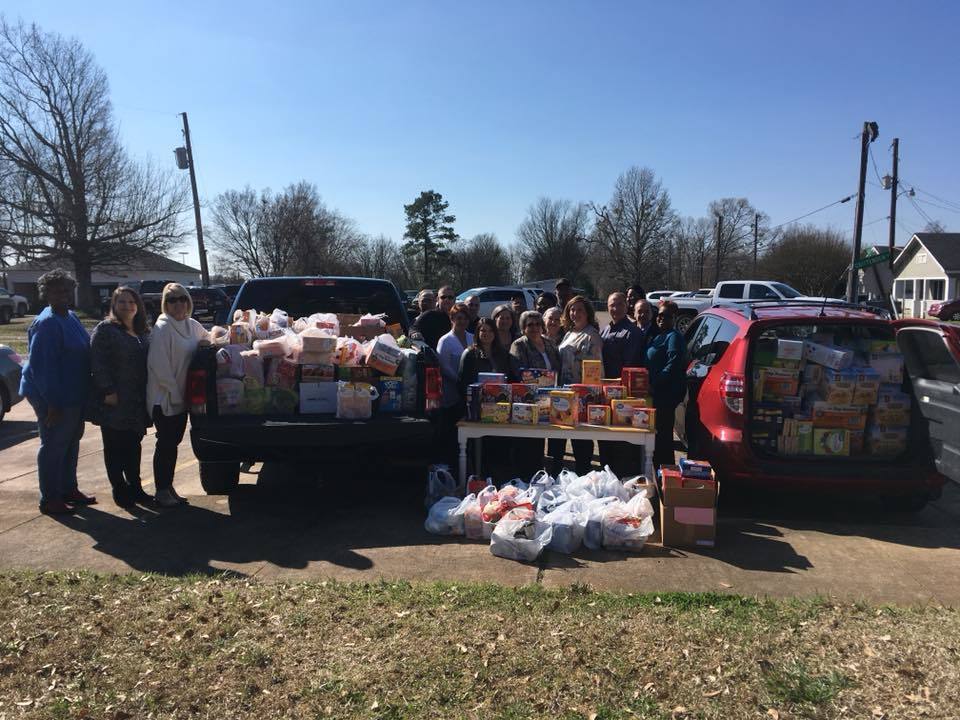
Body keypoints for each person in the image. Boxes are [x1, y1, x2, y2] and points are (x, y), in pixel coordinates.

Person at [18, 269, 96, 515]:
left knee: (71, 442)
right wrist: (53, 403)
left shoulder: (70, 316)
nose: (63, 294)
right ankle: (50, 498)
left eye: (66, 289)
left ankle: (68, 488)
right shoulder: (47, 323)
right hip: (52, 397)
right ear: (46, 293)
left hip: (73, 394)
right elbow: (43, 369)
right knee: (53, 445)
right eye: (56, 290)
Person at [147, 283, 209, 508]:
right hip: (164, 398)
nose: (179, 303)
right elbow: (158, 365)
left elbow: (209, 339)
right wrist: (173, 393)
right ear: (165, 304)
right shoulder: (163, 328)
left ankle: (169, 487)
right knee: (165, 444)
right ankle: (161, 490)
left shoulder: (191, 325)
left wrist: (210, 341)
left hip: (182, 398)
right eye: (172, 299)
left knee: (173, 443)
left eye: (182, 298)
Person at [90, 287, 152, 508]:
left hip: (136, 402)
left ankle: (136, 487)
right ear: (114, 306)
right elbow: (97, 362)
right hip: (115, 400)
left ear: (138, 306)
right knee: (115, 447)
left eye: (132, 302)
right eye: (122, 302)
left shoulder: (141, 331)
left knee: (133, 446)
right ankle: (120, 489)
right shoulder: (106, 330)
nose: (127, 306)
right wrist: (107, 390)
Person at [458, 317, 517, 479]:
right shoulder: (469, 354)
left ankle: (499, 480)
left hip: (500, 410)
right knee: (478, 450)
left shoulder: (502, 354)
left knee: (499, 448)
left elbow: (510, 379)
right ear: (477, 333)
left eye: (490, 330)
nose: (487, 334)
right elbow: (462, 383)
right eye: (483, 330)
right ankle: (478, 479)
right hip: (476, 410)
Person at [510, 310, 562, 476]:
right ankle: (529, 476)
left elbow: (558, 367)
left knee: (555, 440)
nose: (534, 328)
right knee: (531, 444)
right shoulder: (519, 345)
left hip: (552, 399)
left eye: (537, 324)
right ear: (523, 328)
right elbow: (520, 373)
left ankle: (553, 475)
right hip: (530, 401)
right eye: (529, 325)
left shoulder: (549, 342)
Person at [558, 296, 603, 474]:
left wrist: (588, 398)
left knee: (582, 442)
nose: (575, 313)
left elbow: (595, 372)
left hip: (582, 397)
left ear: (588, 314)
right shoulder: (570, 333)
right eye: (572, 310)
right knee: (572, 438)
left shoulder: (591, 335)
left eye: (580, 310)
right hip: (565, 395)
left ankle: (584, 475)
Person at [598, 292, 643, 475]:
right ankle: (606, 475)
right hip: (603, 395)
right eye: (611, 305)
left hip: (622, 396)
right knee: (604, 439)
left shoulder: (633, 332)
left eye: (618, 305)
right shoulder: (605, 330)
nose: (614, 309)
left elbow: (630, 365)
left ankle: (622, 479)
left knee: (621, 444)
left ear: (626, 306)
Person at [646, 301, 687, 469]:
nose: (661, 319)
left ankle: (666, 472)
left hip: (665, 394)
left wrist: (654, 383)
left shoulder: (674, 337)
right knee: (657, 436)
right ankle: (656, 471)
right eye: (659, 316)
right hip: (655, 394)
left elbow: (673, 363)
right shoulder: (658, 336)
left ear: (674, 318)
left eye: (666, 316)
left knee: (663, 437)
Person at [436, 302, 474, 463]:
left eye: (465, 318)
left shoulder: (473, 338)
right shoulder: (445, 341)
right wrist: (460, 382)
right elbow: (443, 366)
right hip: (452, 393)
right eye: (459, 318)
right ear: (452, 319)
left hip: (472, 393)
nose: (462, 321)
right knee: (453, 433)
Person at [633, 299, 658, 364]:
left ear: (651, 314)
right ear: (634, 313)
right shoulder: (628, 330)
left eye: (647, 312)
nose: (643, 314)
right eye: (640, 311)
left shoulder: (659, 332)